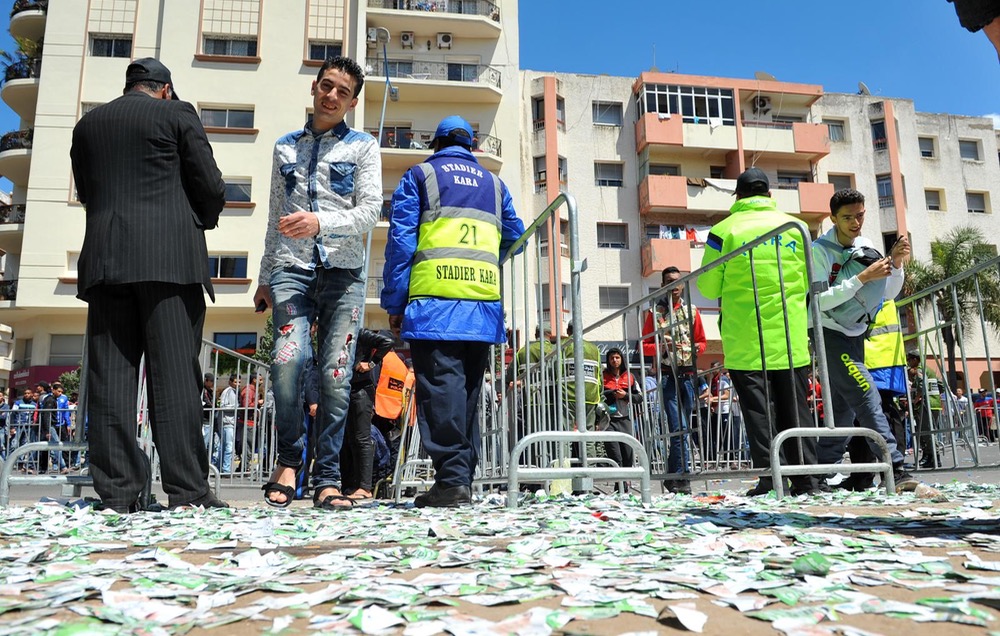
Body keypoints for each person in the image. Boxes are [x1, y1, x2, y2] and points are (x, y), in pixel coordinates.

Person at [70, 57, 227, 512]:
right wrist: (201, 219)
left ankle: (119, 493)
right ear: (165, 89)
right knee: (174, 377)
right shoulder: (177, 113)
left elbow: (87, 192)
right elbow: (210, 185)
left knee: (110, 378)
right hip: (169, 260)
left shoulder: (88, 125)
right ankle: (187, 491)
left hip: (105, 259)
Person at [254, 56, 382, 509]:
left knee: (335, 373)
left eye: (342, 92)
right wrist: (264, 276)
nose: (332, 96)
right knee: (287, 362)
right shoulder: (284, 147)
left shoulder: (364, 147)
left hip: (344, 274)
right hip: (290, 269)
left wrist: (320, 222)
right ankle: (289, 460)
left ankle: (327, 477)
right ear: (314, 87)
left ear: (352, 102)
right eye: (327, 86)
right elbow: (275, 215)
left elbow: (370, 211)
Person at [381, 114, 525, 507]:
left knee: (441, 395)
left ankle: (453, 481)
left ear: (437, 143)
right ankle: (459, 480)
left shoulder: (421, 176)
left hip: (435, 304)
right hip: (482, 306)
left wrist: (395, 301)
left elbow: (401, 243)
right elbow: (517, 236)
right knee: (466, 398)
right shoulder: (495, 185)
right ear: (471, 145)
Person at [696, 167, 825, 496]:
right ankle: (808, 480)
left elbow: (708, 287)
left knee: (759, 414)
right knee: (797, 412)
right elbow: (810, 279)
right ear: (769, 194)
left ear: (737, 196)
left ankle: (772, 480)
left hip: (746, 340)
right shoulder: (796, 228)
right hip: (791, 336)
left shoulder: (723, 231)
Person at [812, 189, 915, 489]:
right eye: (847, 218)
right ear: (833, 218)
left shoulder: (866, 245)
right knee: (867, 396)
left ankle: (814, 475)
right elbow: (818, 302)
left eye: (860, 215)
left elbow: (888, 293)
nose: (855, 223)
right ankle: (895, 468)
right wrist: (861, 278)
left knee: (842, 412)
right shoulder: (819, 251)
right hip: (831, 333)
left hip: (856, 334)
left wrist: (896, 264)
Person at [641, 265, 707, 494]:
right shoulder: (654, 313)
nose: (675, 285)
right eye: (669, 281)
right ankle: (682, 477)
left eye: (678, 281)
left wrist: (696, 348)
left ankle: (672, 476)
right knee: (679, 428)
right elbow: (644, 345)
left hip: (688, 375)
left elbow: (702, 341)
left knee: (683, 428)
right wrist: (662, 347)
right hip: (668, 375)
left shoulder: (692, 311)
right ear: (663, 285)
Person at [836, 299, 910, 490]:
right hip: (866, 352)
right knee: (861, 415)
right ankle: (863, 474)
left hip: (879, 355)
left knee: (881, 412)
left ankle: (894, 471)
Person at [341, 328, 394, 501]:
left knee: (361, 438)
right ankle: (350, 484)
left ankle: (364, 487)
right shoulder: (338, 333)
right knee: (349, 439)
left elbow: (387, 342)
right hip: (348, 388)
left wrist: (370, 363)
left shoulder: (360, 333)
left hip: (361, 388)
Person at [601, 346, 639, 490]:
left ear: (622, 359)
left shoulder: (630, 376)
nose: (614, 360)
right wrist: (611, 394)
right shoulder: (602, 376)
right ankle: (619, 485)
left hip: (625, 419)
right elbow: (598, 395)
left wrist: (625, 395)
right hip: (608, 421)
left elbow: (639, 397)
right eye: (611, 358)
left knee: (628, 454)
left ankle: (625, 484)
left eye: (617, 357)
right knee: (615, 455)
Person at [907, 352, 944, 467]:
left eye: (909, 360)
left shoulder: (920, 369)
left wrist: (917, 399)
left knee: (927, 432)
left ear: (915, 359)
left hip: (926, 405)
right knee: (926, 432)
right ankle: (928, 457)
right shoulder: (929, 370)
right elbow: (941, 386)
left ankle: (934, 458)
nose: (908, 362)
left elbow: (922, 386)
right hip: (934, 404)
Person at [218, 374, 240, 474]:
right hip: (227, 422)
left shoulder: (234, 392)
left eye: (239, 382)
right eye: (235, 382)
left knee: (225, 446)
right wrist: (236, 407)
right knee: (228, 447)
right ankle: (225, 469)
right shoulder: (228, 391)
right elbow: (223, 406)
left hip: (230, 422)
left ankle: (221, 467)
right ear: (230, 382)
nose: (238, 384)